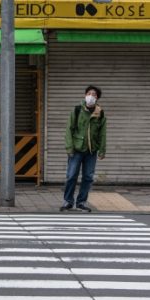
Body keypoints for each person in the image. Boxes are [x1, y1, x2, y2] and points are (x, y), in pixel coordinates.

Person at [62, 85, 107, 213]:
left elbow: (102, 133)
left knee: (88, 177)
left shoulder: (100, 113)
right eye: (89, 93)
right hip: (76, 149)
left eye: (94, 94)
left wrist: (102, 150)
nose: (91, 96)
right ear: (85, 95)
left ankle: (81, 202)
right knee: (71, 176)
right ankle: (68, 202)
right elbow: (69, 129)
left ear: (97, 98)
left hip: (91, 151)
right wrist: (69, 147)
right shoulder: (77, 110)